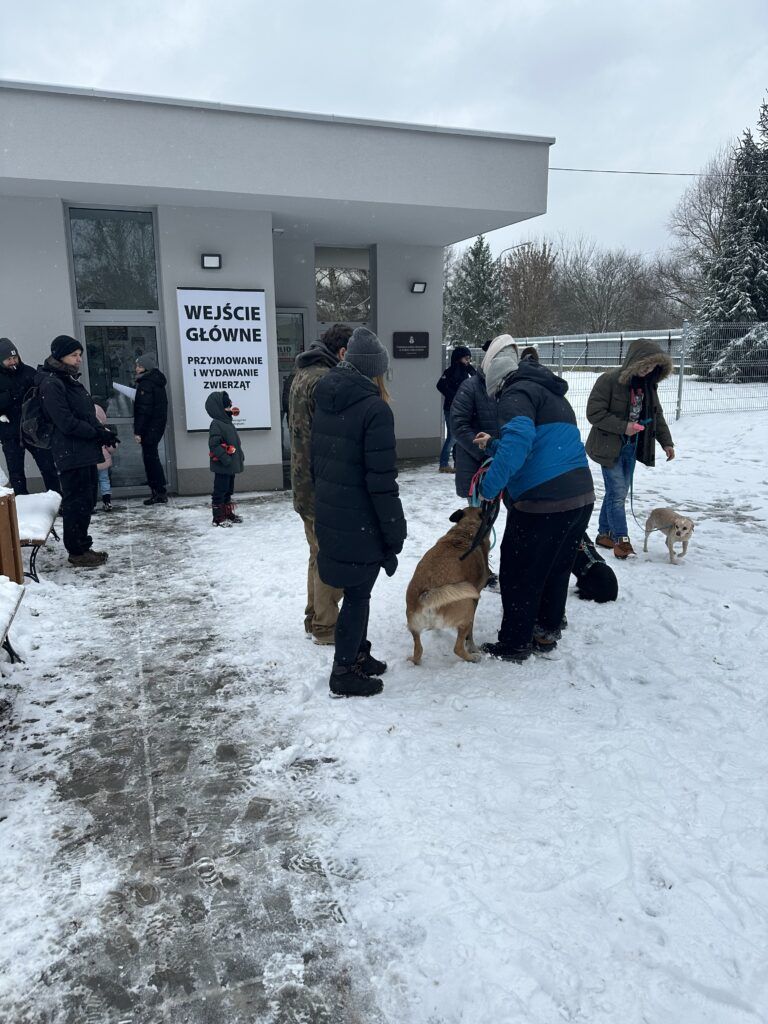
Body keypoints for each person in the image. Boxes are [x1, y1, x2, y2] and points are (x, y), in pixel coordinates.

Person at [474, 334, 594, 662]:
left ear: (496, 378)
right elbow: (537, 442)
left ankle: (514, 644)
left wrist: (488, 488)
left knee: (518, 570)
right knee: (556, 566)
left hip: (544, 500)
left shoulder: (515, 392)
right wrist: (495, 444)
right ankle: (545, 632)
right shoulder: (546, 390)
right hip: (580, 494)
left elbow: (520, 442)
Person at [312, 327, 407, 698]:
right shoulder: (375, 410)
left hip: (335, 514)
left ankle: (356, 653)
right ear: (375, 370)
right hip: (361, 521)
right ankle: (344, 671)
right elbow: (382, 483)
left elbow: (314, 463)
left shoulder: (326, 398)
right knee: (357, 595)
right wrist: (394, 532)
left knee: (356, 590)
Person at [288, 324, 351, 645]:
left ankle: (314, 616)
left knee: (316, 551)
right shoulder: (325, 382)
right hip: (321, 485)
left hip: (303, 483)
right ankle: (326, 625)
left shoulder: (302, 375)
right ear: (341, 353)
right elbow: (334, 440)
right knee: (329, 554)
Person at [585, 338, 675, 559]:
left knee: (617, 492)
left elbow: (657, 416)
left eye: (652, 367)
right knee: (617, 494)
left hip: (632, 448)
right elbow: (594, 413)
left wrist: (667, 442)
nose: (647, 370)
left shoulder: (649, 386)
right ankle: (621, 539)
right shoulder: (608, 380)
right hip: (608, 447)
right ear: (633, 362)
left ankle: (603, 533)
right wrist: (624, 427)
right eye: (643, 365)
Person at [39, 335, 118, 568]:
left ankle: (83, 545)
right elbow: (66, 422)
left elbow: (86, 415)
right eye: (74, 355)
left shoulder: (69, 380)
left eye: (80, 355)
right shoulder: (52, 383)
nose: (79, 359)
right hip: (70, 453)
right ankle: (77, 551)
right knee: (77, 502)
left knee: (87, 500)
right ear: (60, 356)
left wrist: (102, 431)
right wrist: (95, 433)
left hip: (82, 450)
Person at [449, 360, 501, 591]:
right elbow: (458, 426)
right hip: (476, 469)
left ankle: (482, 567)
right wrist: (484, 450)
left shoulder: (505, 387)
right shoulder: (470, 387)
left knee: (489, 522)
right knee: (478, 523)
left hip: (500, 464)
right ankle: (476, 568)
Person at [0, 337, 59, 495]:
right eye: (8, 359)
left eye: (15, 357)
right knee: (16, 472)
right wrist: (10, 396)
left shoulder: (29, 372)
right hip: (10, 433)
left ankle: (57, 500)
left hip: (35, 429)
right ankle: (22, 505)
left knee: (48, 467)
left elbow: (44, 396)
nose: (13, 362)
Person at [133, 353, 169, 506]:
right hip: (156, 426)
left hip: (149, 428)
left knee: (150, 460)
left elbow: (144, 410)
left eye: (139, 365)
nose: (136, 368)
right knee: (152, 458)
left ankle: (158, 491)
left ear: (145, 367)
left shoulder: (146, 383)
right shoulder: (155, 382)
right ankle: (159, 490)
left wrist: (139, 431)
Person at [206, 391, 244, 526]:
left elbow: (235, 442)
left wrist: (240, 456)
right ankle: (218, 517)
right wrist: (226, 459)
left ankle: (227, 512)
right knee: (220, 491)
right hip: (223, 465)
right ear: (219, 408)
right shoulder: (217, 424)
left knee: (228, 490)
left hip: (230, 465)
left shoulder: (227, 422)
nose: (230, 409)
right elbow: (214, 445)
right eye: (227, 407)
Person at [436, 345, 475, 473]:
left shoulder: (467, 371)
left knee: (458, 435)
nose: (468, 361)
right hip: (451, 407)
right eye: (466, 358)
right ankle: (443, 463)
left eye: (469, 358)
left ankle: (457, 462)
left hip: (461, 408)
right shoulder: (452, 371)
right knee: (453, 436)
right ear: (459, 358)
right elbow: (440, 385)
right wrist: (455, 396)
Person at [94, 404, 113, 512]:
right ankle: (107, 501)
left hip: (91, 461)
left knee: (92, 482)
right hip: (103, 460)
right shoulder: (105, 431)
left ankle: (92, 503)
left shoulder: (86, 431)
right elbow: (111, 447)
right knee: (104, 480)